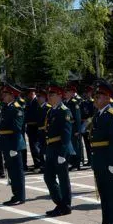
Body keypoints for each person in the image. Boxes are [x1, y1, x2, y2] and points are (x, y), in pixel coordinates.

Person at [89, 80, 113, 224]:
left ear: (108, 98)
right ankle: (105, 221)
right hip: (99, 158)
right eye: (95, 97)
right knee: (103, 190)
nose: (95, 100)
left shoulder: (112, 115)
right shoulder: (98, 115)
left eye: (98, 97)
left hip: (108, 159)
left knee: (111, 191)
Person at [43, 84, 75, 216]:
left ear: (60, 96)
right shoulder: (51, 111)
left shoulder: (64, 111)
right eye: (49, 95)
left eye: (52, 95)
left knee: (63, 178)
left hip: (60, 148)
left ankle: (66, 205)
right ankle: (60, 203)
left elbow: (66, 134)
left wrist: (62, 153)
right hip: (51, 148)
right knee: (48, 177)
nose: (49, 97)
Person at [0, 84, 27, 206]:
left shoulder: (16, 108)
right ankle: (15, 195)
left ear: (11, 96)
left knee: (17, 171)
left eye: (6, 94)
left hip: (13, 144)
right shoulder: (6, 107)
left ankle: (20, 196)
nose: (3, 96)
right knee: (11, 171)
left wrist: (14, 147)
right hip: (6, 143)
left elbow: (17, 129)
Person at [24, 85, 44, 172]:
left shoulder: (36, 101)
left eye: (30, 93)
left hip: (36, 127)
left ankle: (39, 164)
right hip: (30, 127)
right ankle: (37, 163)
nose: (29, 95)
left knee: (36, 147)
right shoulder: (29, 102)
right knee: (33, 147)